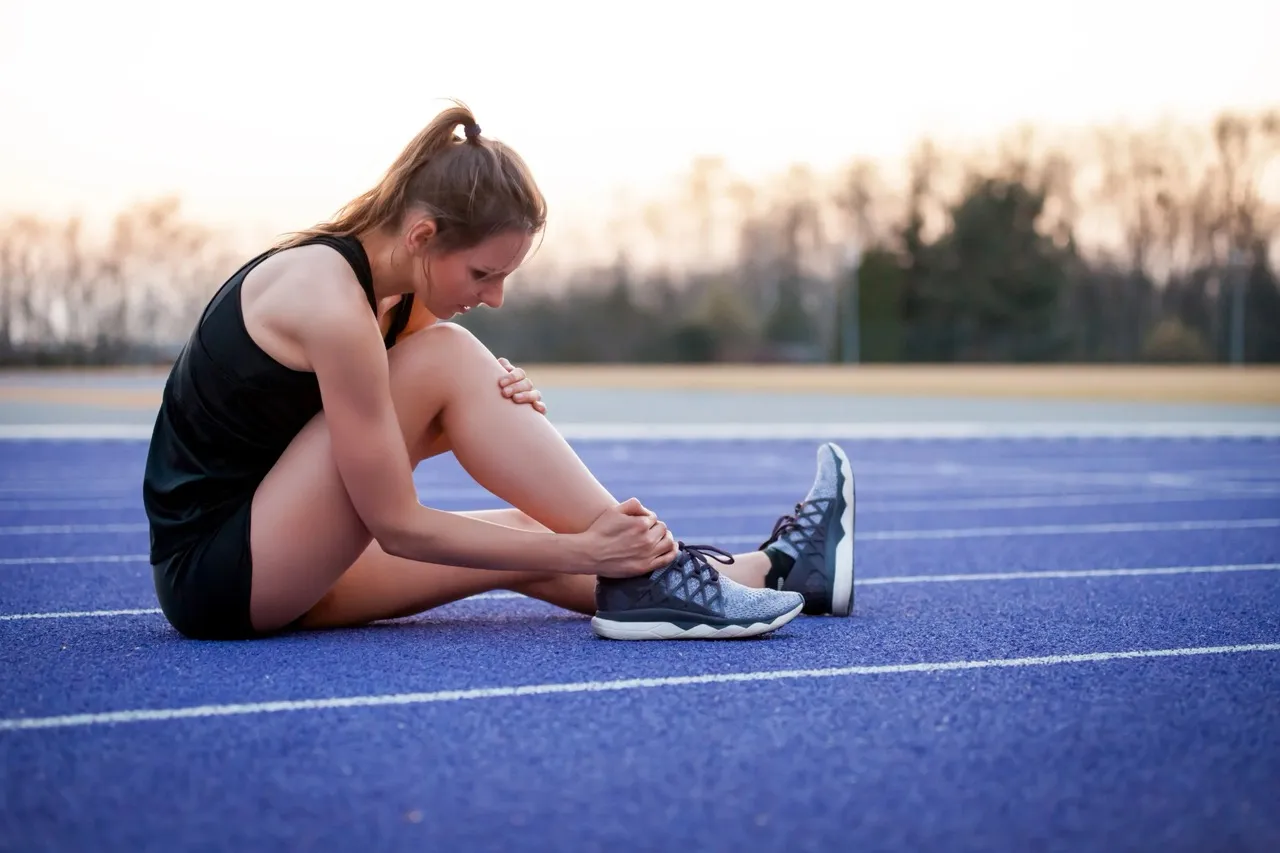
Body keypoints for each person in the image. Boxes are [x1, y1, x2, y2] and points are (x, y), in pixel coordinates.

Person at [140, 101, 857, 643]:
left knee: (519, 530)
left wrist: (480, 411)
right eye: (483, 272)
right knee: (453, 364)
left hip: (280, 552)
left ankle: (776, 571)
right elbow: (396, 524)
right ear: (422, 234)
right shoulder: (330, 301)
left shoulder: (392, 301)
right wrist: (578, 543)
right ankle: (659, 576)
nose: (494, 297)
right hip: (223, 574)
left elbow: (373, 441)